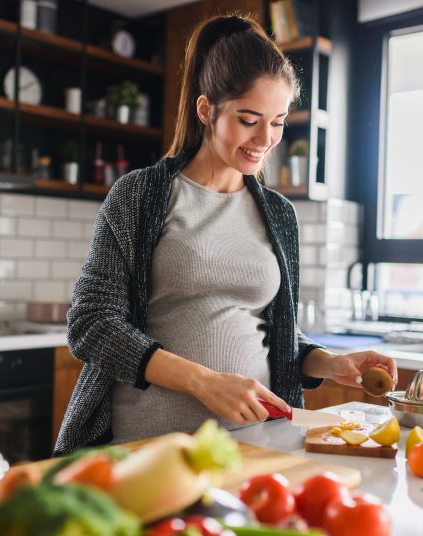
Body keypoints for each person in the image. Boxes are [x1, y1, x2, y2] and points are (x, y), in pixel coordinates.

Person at [54, 14, 397, 454]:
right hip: (147, 446)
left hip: (254, 446)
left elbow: (275, 333)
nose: (265, 139)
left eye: (277, 122)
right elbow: (91, 323)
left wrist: (329, 363)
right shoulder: (141, 195)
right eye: (249, 119)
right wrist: (204, 383)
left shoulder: (278, 214)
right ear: (206, 110)